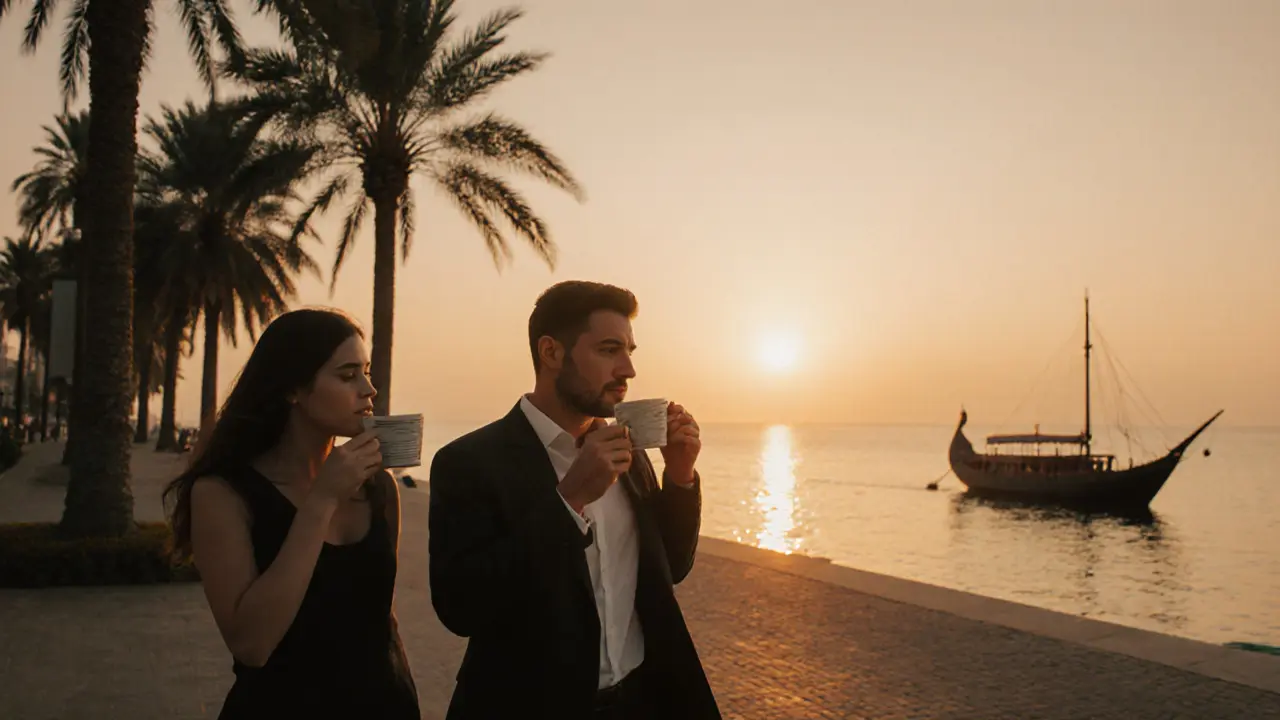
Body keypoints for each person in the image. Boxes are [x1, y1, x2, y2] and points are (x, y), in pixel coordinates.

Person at [428, 280, 722, 719]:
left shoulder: (629, 452)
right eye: (608, 350)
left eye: (629, 351)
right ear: (551, 353)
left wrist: (679, 474)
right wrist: (569, 500)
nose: (627, 370)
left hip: (642, 700)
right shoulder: (469, 462)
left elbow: (672, 567)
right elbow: (461, 608)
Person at [163, 308, 420, 719]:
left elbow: (381, 625)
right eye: (348, 374)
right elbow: (252, 644)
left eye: (366, 372)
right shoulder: (222, 494)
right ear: (293, 390)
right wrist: (321, 502)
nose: (369, 389)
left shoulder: (379, 489)